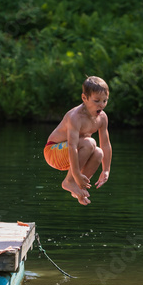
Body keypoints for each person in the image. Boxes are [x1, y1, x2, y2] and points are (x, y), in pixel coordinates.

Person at [44, 76, 112, 205]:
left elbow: (106, 144)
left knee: (99, 152)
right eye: (97, 100)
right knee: (90, 142)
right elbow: (72, 146)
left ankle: (79, 191)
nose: (101, 105)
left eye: (105, 101)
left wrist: (106, 169)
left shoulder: (102, 118)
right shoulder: (75, 117)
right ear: (84, 98)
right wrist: (75, 174)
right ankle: (69, 181)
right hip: (53, 152)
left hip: (72, 155)